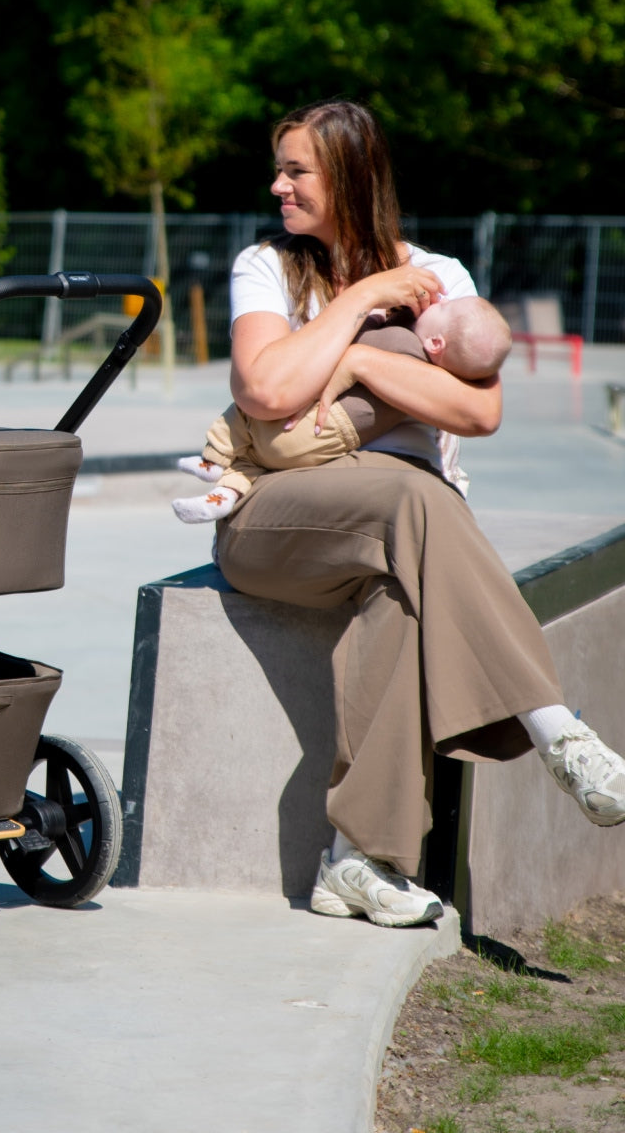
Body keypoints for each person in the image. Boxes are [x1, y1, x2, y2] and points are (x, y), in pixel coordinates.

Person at [211, 98, 625, 929]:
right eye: (279, 170)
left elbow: (478, 410)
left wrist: (362, 364)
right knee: (416, 497)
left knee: (402, 594)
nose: (278, 186)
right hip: (275, 519)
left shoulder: (441, 277)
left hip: (396, 531)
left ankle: (356, 860)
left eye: (296, 171)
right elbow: (263, 388)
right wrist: (365, 299)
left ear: (349, 177)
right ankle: (557, 730)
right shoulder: (266, 267)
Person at [173, 296, 512, 522]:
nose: (438, 301)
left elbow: (355, 340)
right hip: (322, 446)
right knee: (259, 462)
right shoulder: (435, 382)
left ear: (436, 342)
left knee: (243, 415)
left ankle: (214, 458)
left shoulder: (402, 343)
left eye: (443, 308)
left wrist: (371, 310)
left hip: (308, 425)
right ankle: (226, 493)